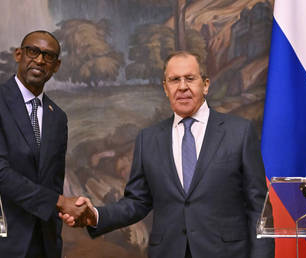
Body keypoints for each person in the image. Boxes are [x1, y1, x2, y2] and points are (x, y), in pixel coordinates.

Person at [61, 51, 275, 258]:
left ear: (206, 84)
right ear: (165, 88)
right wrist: (96, 216)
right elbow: (137, 202)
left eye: (190, 78)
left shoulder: (239, 132)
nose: (182, 87)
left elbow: (259, 207)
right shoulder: (149, 138)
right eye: (174, 80)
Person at [0, 30, 91, 258]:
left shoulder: (57, 117)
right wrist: (59, 202)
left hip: (41, 243)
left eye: (48, 56)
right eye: (32, 51)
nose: (39, 60)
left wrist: (57, 233)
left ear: (56, 66)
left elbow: (52, 181)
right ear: (19, 54)